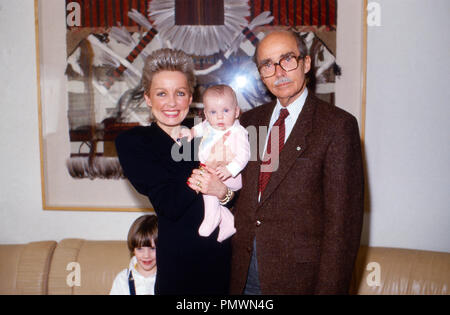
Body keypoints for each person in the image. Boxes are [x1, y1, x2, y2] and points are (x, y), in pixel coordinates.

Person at [229, 30, 365, 294]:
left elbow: (342, 229)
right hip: (242, 274)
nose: (278, 72)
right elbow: (241, 196)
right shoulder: (247, 123)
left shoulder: (337, 127)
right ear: (260, 74)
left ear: (306, 63)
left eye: (287, 59)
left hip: (299, 281)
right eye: (267, 64)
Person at [115, 48, 232, 295]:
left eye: (180, 93)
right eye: (161, 93)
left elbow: (236, 198)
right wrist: (205, 173)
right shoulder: (134, 142)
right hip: (179, 271)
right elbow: (169, 203)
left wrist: (224, 193)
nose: (171, 103)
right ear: (148, 98)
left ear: (190, 98)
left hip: (225, 264)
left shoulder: (209, 132)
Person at [189, 85, 250, 242]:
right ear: (206, 114)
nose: (220, 117)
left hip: (230, 175)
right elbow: (199, 128)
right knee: (203, 186)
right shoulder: (208, 125)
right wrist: (190, 133)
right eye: (213, 112)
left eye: (226, 111)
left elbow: (244, 155)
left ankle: (212, 218)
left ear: (236, 112)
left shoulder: (238, 132)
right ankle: (227, 222)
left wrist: (230, 169)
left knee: (208, 191)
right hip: (212, 169)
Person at [110, 215, 158, 295]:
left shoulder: (169, 278)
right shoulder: (123, 279)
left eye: (152, 248)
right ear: (133, 250)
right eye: (140, 248)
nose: (146, 255)